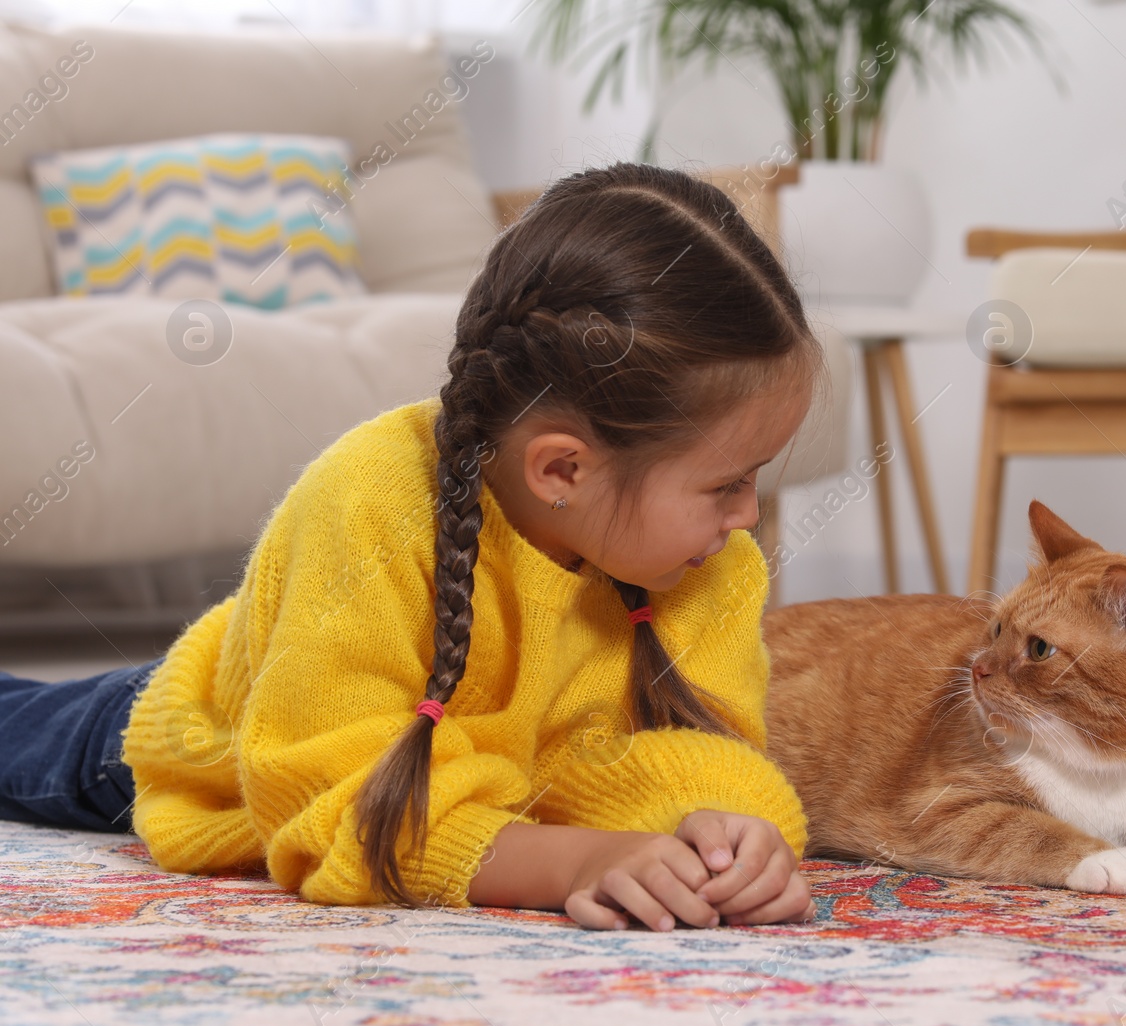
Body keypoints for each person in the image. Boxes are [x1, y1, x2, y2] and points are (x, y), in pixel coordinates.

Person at [0, 161, 828, 932]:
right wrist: (577, 858)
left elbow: (701, 749)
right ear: (562, 468)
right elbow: (333, 800)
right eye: (726, 483)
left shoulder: (705, 562)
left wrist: (731, 832)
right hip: (230, 726)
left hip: (430, 741)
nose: (748, 516)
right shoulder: (366, 503)